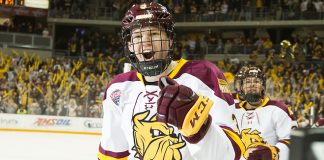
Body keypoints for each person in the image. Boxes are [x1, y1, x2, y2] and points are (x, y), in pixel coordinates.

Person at [98, 2, 245, 160]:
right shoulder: (118, 88)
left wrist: (198, 127)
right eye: (138, 36)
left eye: (153, 34)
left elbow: (231, 154)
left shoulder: (204, 75)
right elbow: (113, 154)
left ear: (169, 39)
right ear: (130, 45)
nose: (145, 42)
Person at [232, 66, 298, 160]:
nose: (252, 84)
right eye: (248, 82)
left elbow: (292, 140)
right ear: (242, 87)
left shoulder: (279, 109)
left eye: (256, 81)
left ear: (263, 86)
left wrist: (272, 153)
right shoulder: (232, 110)